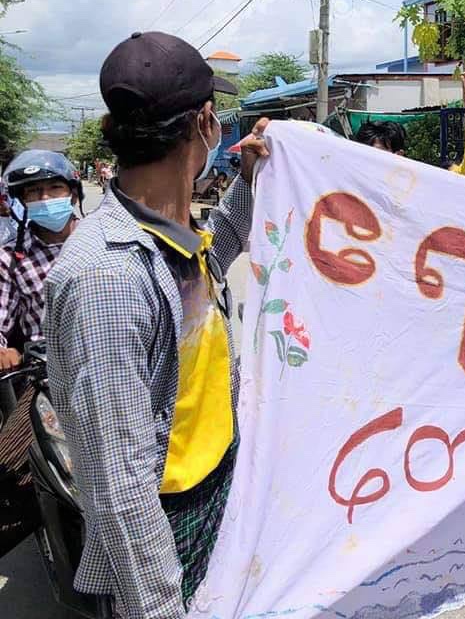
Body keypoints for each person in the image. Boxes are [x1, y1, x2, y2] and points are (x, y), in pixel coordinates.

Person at [43, 31, 269, 618]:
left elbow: (218, 256)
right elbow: (120, 487)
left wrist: (250, 179)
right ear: (206, 123)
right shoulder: (107, 278)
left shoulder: (169, 233)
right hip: (168, 529)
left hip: (219, 486)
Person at [0, 150, 84, 370]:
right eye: (34, 191)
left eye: (55, 188)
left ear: (73, 195)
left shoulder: (101, 242)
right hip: (45, 371)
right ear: (23, 201)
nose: (45, 198)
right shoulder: (10, 259)